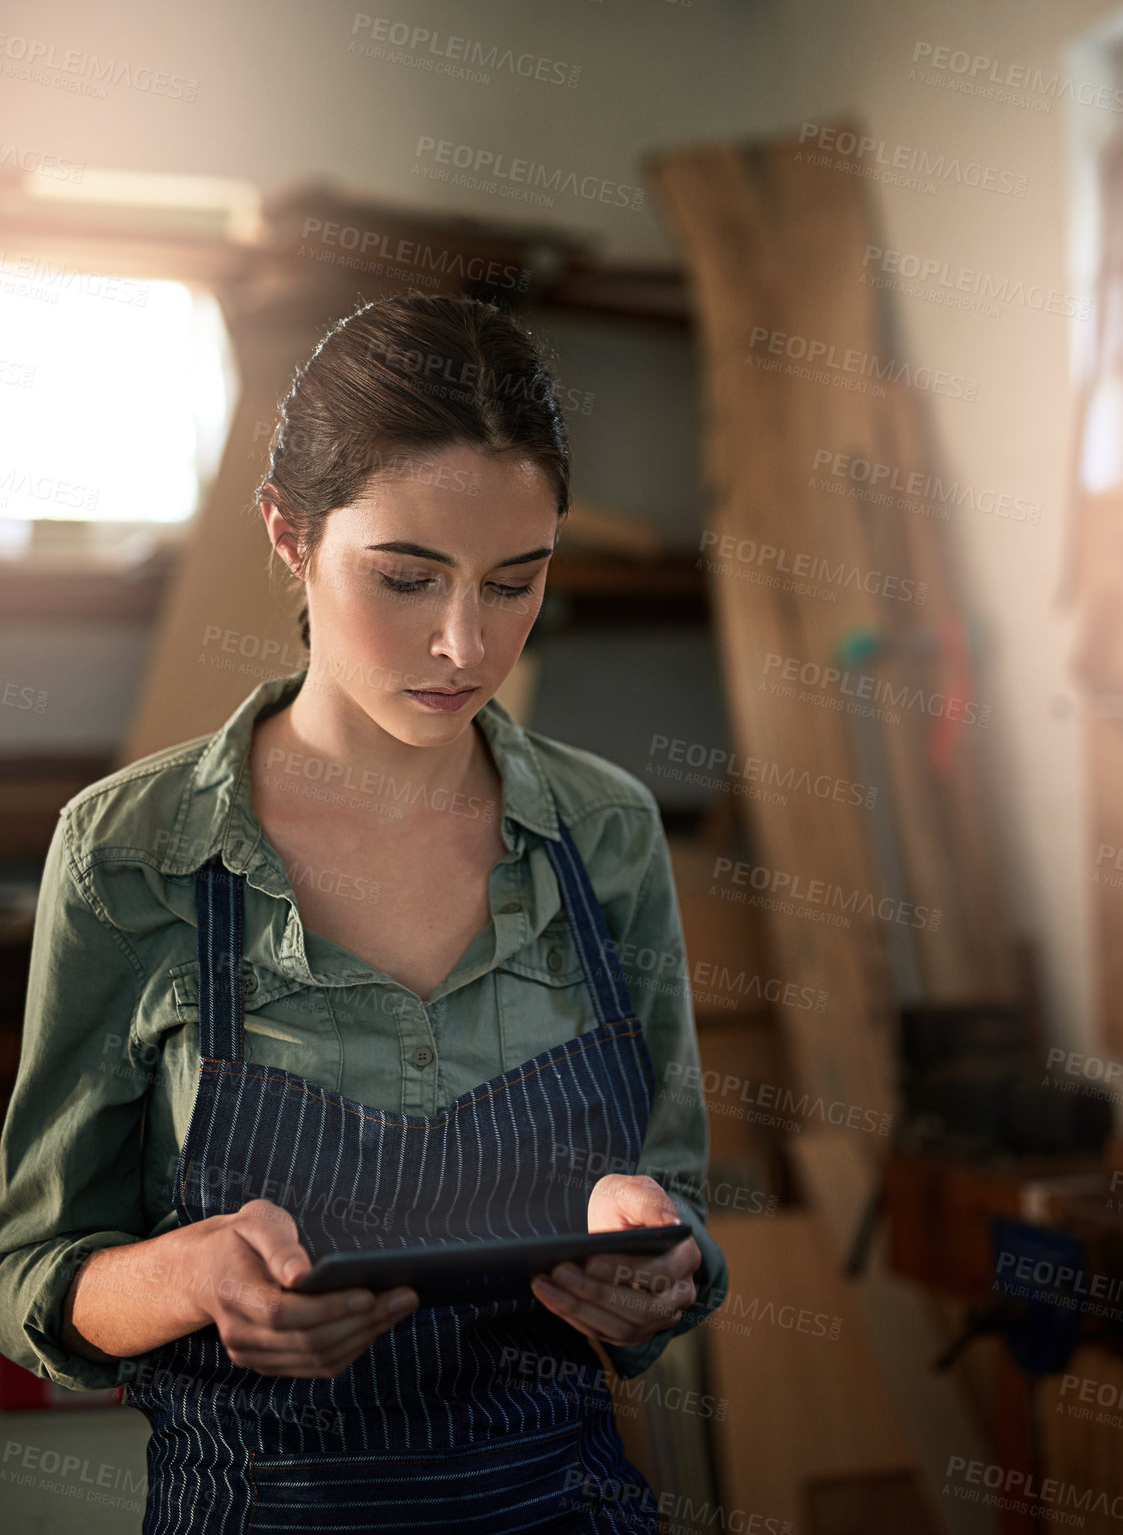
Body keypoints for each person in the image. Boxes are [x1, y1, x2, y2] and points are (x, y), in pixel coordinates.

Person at [0, 290, 728, 1532]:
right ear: (288, 533)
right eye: (405, 577)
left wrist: (667, 1267)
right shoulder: (130, 853)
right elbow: (35, 1278)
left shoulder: (604, 834)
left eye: (516, 583)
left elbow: (673, 1203)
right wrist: (189, 1275)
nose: (463, 642)